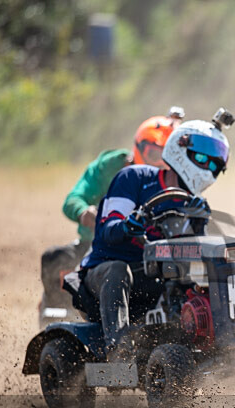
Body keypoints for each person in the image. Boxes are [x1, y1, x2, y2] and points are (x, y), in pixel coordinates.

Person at [79, 110, 231, 356]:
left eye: (215, 165)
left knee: (207, 274)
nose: (208, 168)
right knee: (119, 268)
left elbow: (191, 257)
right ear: (181, 151)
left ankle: (217, 341)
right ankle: (119, 350)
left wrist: (199, 223)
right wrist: (129, 225)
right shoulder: (134, 178)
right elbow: (107, 230)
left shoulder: (193, 203)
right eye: (203, 159)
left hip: (153, 278)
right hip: (104, 274)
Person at [39, 107, 185, 325]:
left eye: (165, 157)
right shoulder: (112, 165)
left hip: (149, 254)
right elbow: (74, 198)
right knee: (54, 259)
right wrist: (84, 213)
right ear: (138, 148)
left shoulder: (174, 181)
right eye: (153, 154)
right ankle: (56, 317)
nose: (158, 163)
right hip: (97, 249)